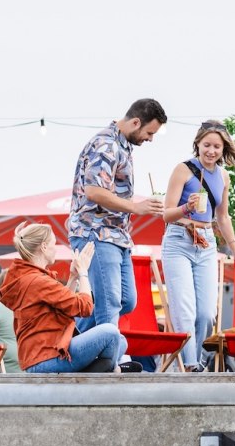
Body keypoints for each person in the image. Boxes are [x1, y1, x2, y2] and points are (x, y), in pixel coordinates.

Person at [160, 120, 235, 371]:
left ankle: (198, 362)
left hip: (206, 242)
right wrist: (186, 207)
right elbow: (166, 214)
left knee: (206, 314)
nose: (211, 151)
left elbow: (223, 217)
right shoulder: (183, 169)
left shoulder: (223, 176)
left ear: (223, 149)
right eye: (207, 145)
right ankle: (191, 367)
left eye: (217, 147)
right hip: (178, 239)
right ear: (198, 144)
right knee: (185, 312)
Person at [67, 98, 166, 330]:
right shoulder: (106, 145)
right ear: (135, 122)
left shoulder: (122, 145)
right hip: (96, 232)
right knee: (110, 304)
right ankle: (104, 353)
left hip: (116, 236)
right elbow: (94, 191)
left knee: (126, 301)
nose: (150, 139)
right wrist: (136, 207)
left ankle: (71, 336)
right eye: (149, 133)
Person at [0, 223, 139, 374]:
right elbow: (85, 307)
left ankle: (102, 368)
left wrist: (73, 276)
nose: (56, 249)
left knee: (120, 341)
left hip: (43, 356)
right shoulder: (37, 281)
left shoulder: (29, 277)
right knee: (110, 332)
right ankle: (109, 369)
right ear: (44, 247)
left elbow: (62, 307)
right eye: (54, 244)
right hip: (47, 359)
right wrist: (83, 272)